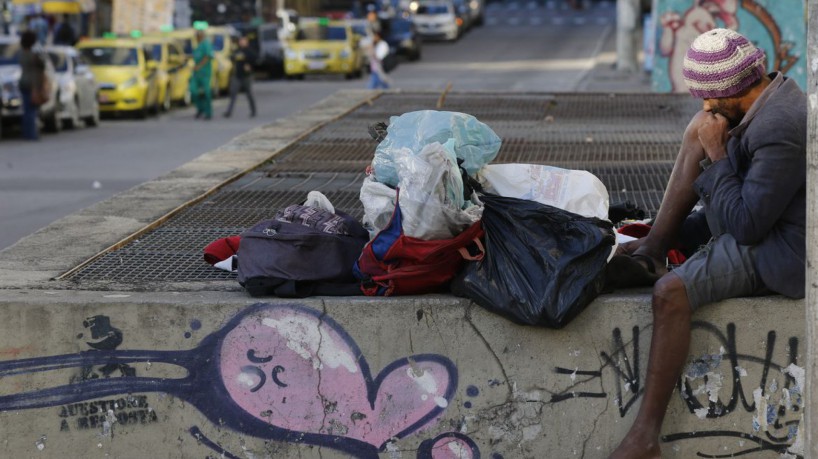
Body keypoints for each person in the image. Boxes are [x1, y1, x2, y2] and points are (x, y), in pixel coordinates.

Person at [607, 28, 806, 458]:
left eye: (709, 98)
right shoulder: (765, 98)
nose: (705, 105)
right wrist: (706, 141)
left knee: (670, 292)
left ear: (732, 91)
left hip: (782, 249)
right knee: (700, 130)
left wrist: (717, 155)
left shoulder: (781, 126)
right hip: (754, 215)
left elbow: (748, 226)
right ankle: (653, 248)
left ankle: (644, 438)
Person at [18, 30, 46, 141]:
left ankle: (27, 132)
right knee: (32, 110)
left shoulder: (22, 54)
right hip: (33, 84)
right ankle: (31, 133)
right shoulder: (34, 55)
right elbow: (42, 66)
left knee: (27, 109)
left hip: (24, 82)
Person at [223, 36, 256, 118]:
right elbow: (231, 57)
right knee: (233, 93)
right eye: (240, 41)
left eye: (243, 41)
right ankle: (229, 111)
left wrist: (249, 65)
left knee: (249, 94)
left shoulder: (249, 50)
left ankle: (253, 110)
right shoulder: (237, 50)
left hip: (246, 76)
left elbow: (255, 58)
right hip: (237, 75)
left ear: (246, 42)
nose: (241, 42)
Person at [190, 28, 214, 120]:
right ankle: (200, 109)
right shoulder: (198, 45)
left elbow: (208, 56)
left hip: (204, 73)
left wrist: (199, 66)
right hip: (196, 73)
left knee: (206, 93)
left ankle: (208, 112)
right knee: (193, 91)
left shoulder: (206, 44)